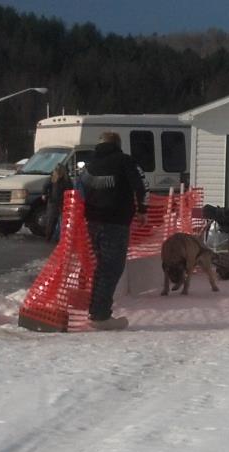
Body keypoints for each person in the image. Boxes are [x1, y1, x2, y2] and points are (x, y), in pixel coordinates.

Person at [78, 131, 148, 330]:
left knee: (102, 267)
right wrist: (142, 210)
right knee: (112, 268)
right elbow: (141, 186)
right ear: (118, 144)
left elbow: (79, 188)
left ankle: (96, 311)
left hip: (92, 222)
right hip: (116, 222)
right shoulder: (124, 161)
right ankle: (100, 316)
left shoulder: (89, 165)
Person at [42, 164, 70, 242]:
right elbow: (45, 186)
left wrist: (44, 194)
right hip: (55, 201)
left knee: (58, 221)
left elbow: (45, 186)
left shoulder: (63, 179)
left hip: (61, 202)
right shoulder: (54, 178)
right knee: (52, 220)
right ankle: (49, 237)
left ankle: (57, 237)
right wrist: (44, 194)